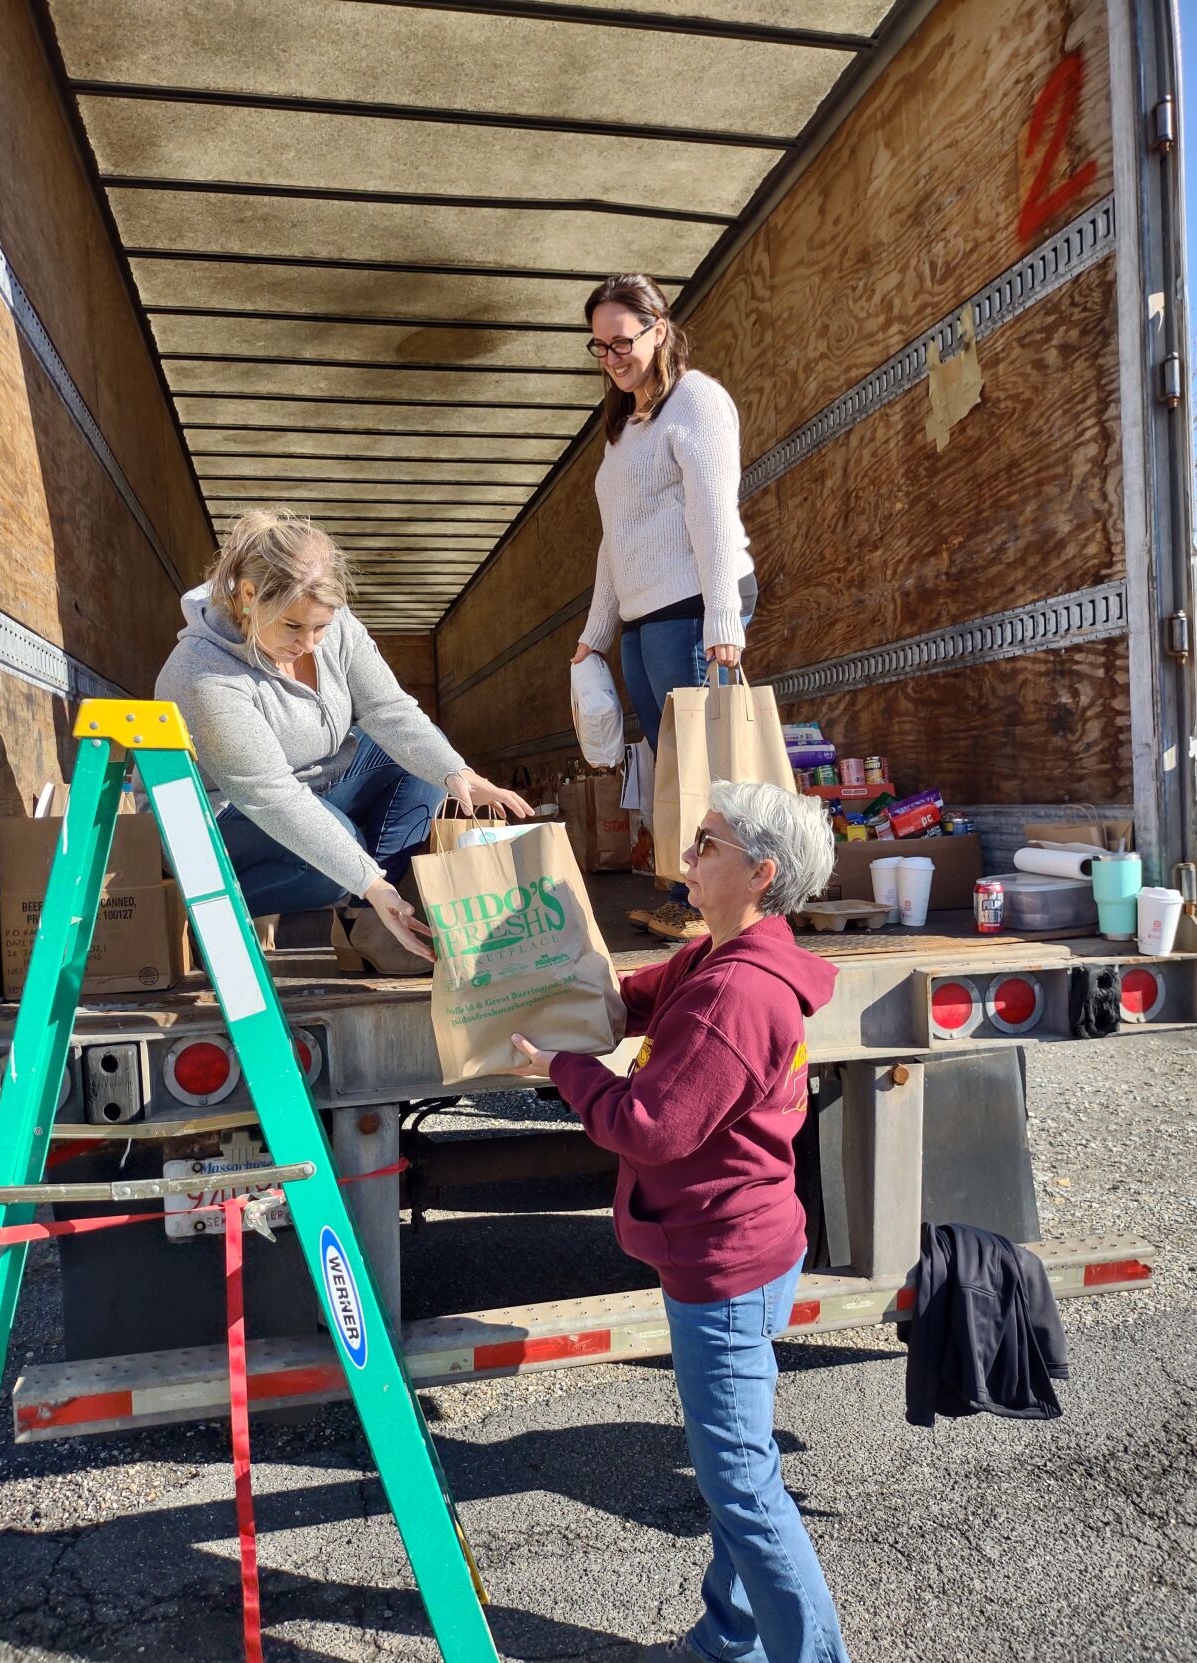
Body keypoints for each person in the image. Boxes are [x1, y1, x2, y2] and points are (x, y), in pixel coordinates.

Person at [509, 782, 850, 1663]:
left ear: (759, 873)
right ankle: (729, 1638)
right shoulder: (723, 958)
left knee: (740, 1484)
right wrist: (551, 983)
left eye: (705, 845)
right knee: (746, 1468)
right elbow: (638, 996)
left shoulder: (735, 993)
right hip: (749, 1239)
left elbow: (648, 1127)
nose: (685, 859)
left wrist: (560, 1067)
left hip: (724, 1263)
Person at [154, 509, 530, 971]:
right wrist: (366, 875)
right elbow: (271, 795)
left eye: (321, 627)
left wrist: (460, 774)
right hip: (231, 813)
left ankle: (370, 919)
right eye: (294, 627)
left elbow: (389, 710)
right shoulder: (202, 673)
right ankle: (198, 910)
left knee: (420, 755)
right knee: (339, 859)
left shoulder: (337, 627)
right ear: (248, 595)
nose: (311, 644)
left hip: (315, 781)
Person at [572, 274, 757, 943]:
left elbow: (712, 514)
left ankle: (714, 903)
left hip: (697, 599)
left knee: (701, 766)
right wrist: (594, 633)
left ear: (659, 327)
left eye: (621, 341)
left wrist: (721, 620)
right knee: (669, 765)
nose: (612, 357)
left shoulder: (696, 401)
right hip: (646, 612)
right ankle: (693, 895)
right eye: (599, 347)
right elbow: (614, 540)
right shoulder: (624, 425)